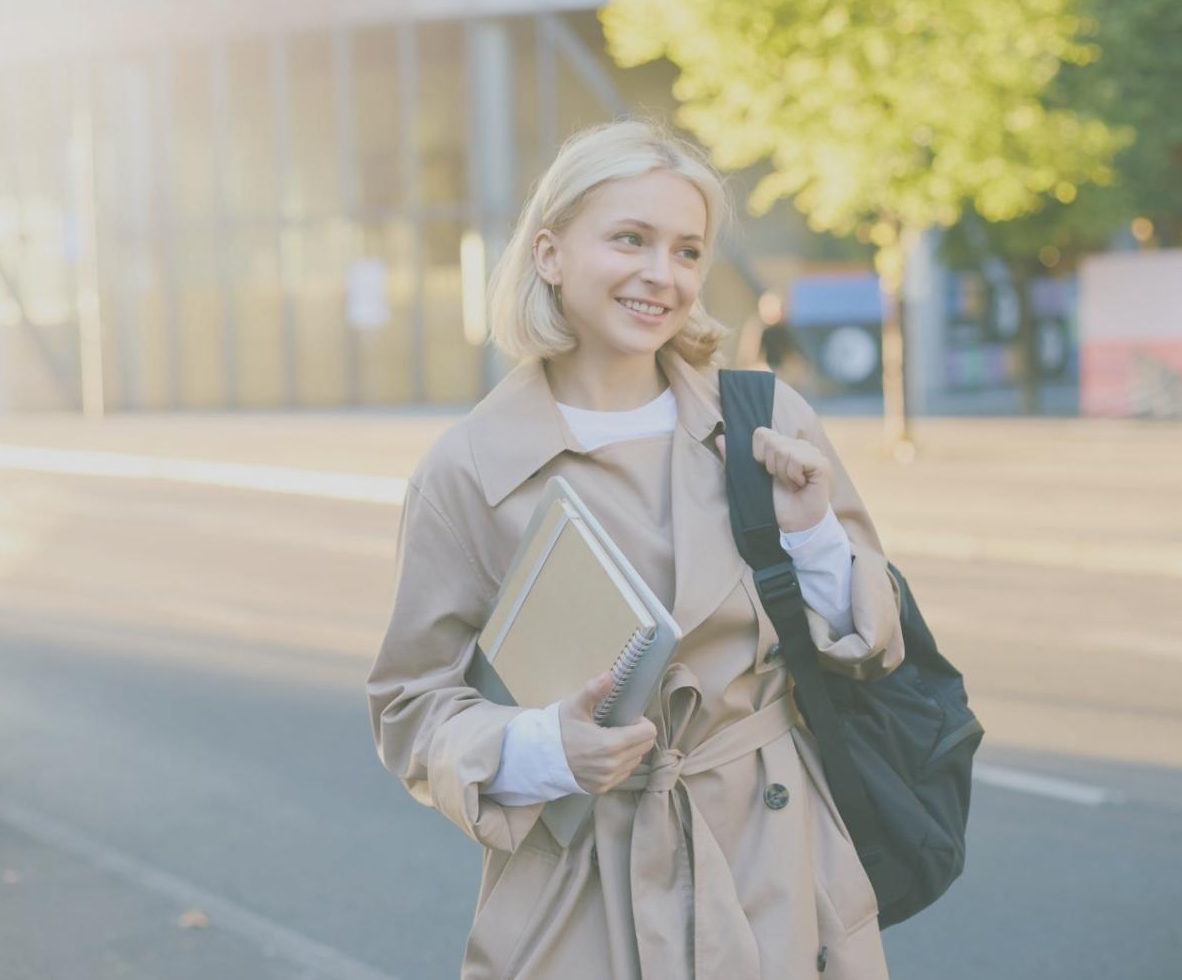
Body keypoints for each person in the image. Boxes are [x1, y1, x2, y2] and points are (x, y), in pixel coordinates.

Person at [365, 118, 905, 979]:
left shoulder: (764, 420)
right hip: (582, 878)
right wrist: (543, 747)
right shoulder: (468, 468)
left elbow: (868, 645)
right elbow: (410, 705)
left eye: (687, 250)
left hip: (778, 866)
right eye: (630, 239)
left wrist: (810, 536)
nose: (663, 274)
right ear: (550, 254)